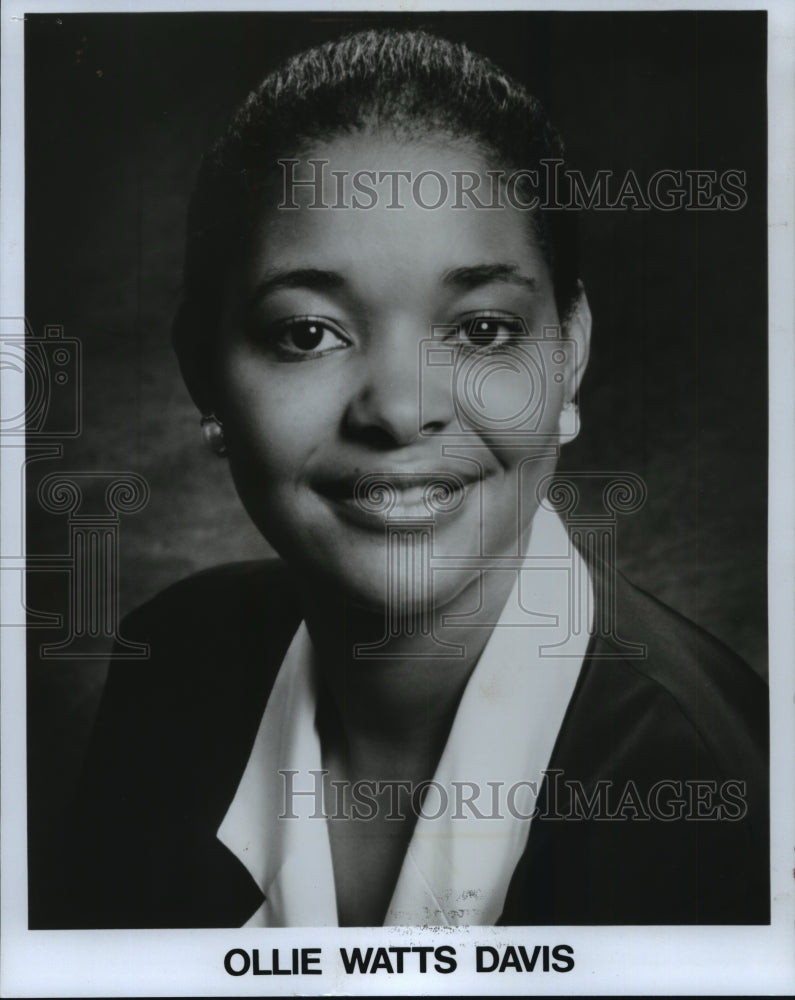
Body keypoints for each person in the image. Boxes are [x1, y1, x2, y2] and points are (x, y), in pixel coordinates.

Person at [43, 27, 767, 929]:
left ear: (568, 356)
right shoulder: (173, 663)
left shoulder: (715, 799)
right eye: (307, 332)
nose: (397, 408)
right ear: (203, 373)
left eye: (481, 331)